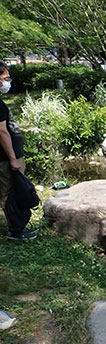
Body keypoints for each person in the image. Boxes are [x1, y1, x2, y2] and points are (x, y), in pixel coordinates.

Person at [0, 61, 37, 240]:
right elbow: (2, 131)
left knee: (16, 189)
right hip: (6, 157)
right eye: (5, 78)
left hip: (10, 155)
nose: (8, 82)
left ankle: (18, 225)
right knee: (10, 192)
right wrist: (13, 158)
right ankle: (16, 229)